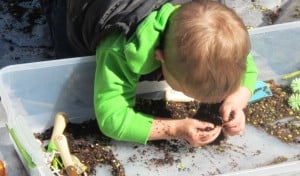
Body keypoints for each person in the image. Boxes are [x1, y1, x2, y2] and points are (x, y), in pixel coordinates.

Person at [43, 0, 258, 147]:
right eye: (184, 89)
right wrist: (174, 129)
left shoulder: (218, 33)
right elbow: (112, 119)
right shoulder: (120, 48)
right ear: (159, 57)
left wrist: (238, 99)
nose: (194, 100)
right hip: (94, 7)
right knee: (71, 52)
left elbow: (246, 65)